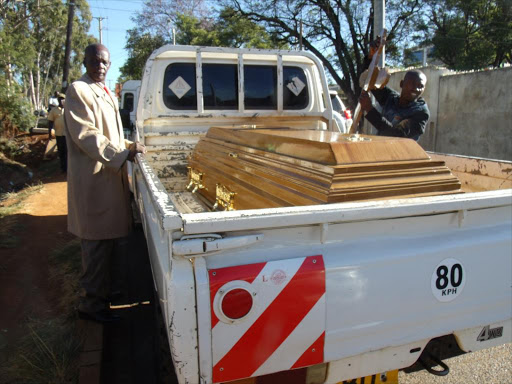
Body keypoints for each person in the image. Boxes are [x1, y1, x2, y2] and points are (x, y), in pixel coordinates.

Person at [64, 43, 146, 323]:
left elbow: (110, 135)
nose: (100, 66)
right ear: (85, 61)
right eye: (95, 61)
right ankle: (90, 306)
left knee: (111, 243)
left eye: (105, 62)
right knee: (96, 245)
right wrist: (121, 154)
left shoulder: (105, 91)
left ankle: (106, 294)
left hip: (110, 177)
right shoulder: (79, 90)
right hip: (94, 179)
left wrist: (130, 146)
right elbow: (87, 135)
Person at [359, 39, 430, 141]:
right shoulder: (391, 99)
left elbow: (397, 136)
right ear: (402, 84)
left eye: (420, 86)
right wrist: (371, 57)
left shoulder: (420, 112)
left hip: (402, 155)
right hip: (382, 150)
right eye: (412, 84)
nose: (416, 88)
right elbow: (369, 80)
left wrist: (370, 109)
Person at [47, 93, 67, 172]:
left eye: (63, 99)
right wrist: (50, 132)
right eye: (59, 99)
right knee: (61, 151)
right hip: (59, 134)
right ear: (58, 100)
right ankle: (63, 168)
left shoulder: (69, 109)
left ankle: (69, 169)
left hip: (67, 135)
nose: (61, 100)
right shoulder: (54, 110)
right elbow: (50, 122)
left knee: (67, 152)